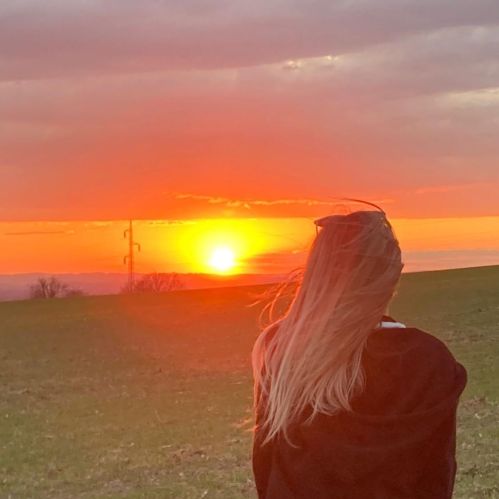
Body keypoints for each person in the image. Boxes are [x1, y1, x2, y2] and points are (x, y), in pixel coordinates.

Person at [251, 201, 467, 499]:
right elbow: (437, 476)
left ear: (315, 272)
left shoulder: (282, 349)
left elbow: (265, 465)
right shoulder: (429, 360)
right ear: (394, 274)